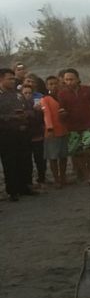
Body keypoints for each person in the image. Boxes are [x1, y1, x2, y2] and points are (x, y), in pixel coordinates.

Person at [0, 68, 36, 200]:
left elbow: (30, 110)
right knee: (10, 162)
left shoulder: (18, 94)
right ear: (1, 79)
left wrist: (26, 114)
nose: (12, 81)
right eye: (9, 78)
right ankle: (12, 190)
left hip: (22, 132)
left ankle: (25, 186)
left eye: (13, 78)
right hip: (6, 134)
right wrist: (11, 117)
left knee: (25, 160)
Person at [58, 68, 90, 185]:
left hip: (87, 125)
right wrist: (62, 115)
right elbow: (61, 111)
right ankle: (85, 174)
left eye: (71, 79)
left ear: (77, 79)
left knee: (88, 150)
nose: (69, 82)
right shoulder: (62, 94)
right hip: (72, 127)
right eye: (66, 80)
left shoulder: (86, 90)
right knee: (76, 152)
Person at [41, 75, 69, 188]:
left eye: (55, 83)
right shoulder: (45, 99)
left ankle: (63, 177)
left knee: (63, 156)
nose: (53, 86)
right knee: (53, 157)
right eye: (50, 84)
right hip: (52, 132)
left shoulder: (63, 97)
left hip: (64, 130)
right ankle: (56, 179)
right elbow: (46, 115)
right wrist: (50, 128)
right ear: (47, 86)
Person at [21, 84, 46, 186]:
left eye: (29, 93)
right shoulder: (19, 105)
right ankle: (28, 181)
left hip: (37, 135)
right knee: (27, 161)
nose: (27, 95)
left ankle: (41, 178)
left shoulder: (38, 105)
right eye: (25, 93)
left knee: (40, 160)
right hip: (25, 137)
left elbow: (41, 120)